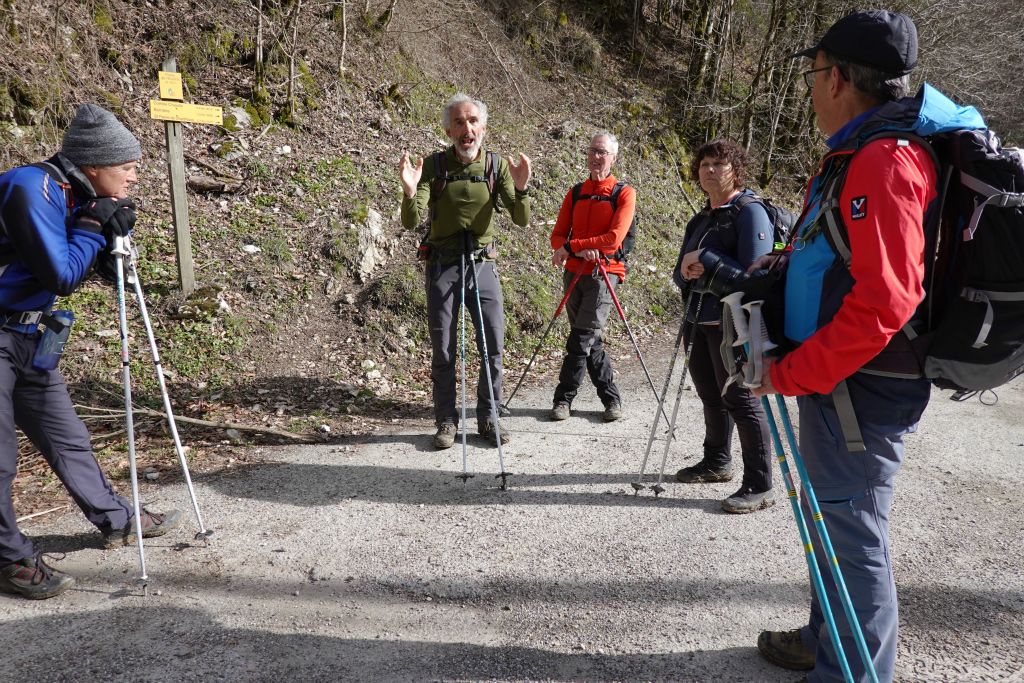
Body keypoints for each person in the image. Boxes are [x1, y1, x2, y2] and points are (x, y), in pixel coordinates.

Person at [752, 10, 975, 681]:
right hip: (839, 379)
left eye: (816, 73)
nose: (812, 88)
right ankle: (827, 638)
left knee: (854, 537)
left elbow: (886, 300)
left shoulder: (887, 159)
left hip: (860, 388)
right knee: (831, 523)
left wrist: (792, 371)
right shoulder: (864, 147)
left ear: (841, 78)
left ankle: (852, 671)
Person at [0, 104, 182, 600]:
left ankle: (116, 517)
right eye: (128, 168)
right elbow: (59, 273)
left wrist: (107, 246)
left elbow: (76, 269)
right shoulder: (30, 189)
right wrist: (91, 230)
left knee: (67, 436)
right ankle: (11, 558)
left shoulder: (74, 195)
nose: (136, 177)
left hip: (31, 336)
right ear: (96, 167)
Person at [399, 93, 531, 449]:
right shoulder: (434, 165)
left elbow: (521, 220)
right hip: (442, 266)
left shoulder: (495, 166)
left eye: (472, 121)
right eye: (458, 122)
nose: (466, 128)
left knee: (492, 344)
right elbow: (411, 221)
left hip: (482, 265)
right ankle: (445, 421)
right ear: (448, 129)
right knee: (443, 349)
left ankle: (489, 418)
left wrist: (521, 190)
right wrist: (410, 192)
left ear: (484, 128)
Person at [670, 139, 775, 513]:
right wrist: (686, 271)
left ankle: (760, 483)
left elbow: (755, 279)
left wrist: (708, 261)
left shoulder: (750, 213)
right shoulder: (700, 220)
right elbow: (681, 273)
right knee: (711, 397)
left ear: (736, 170)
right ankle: (716, 462)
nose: (710, 170)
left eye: (719, 164)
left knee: (742, 401)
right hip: (697, 320)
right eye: (704, 164)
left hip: (736, 324)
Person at [548, 131, 635, 422]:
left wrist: (574, 247)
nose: (596, 157)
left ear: (613, 157)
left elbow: (612, 240)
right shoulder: (575, 192)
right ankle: (612, 400)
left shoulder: (623, 193)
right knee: (590, 339)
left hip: (604, 274)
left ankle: (563, 399)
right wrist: (576, 251)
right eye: (593, 151)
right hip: (574, 273)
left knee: (581, 337)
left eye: (602, 152)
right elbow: (557, 235)